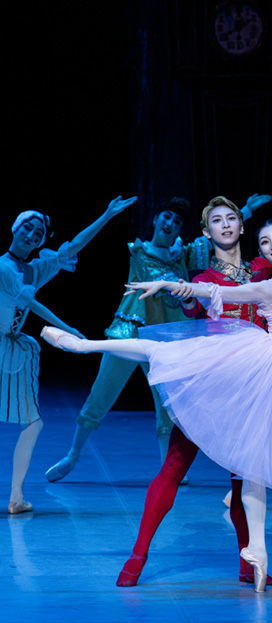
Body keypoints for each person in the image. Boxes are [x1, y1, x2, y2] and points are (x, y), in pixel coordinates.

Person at [40, 144, 272, 592]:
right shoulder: (207, 278)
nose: (225, 225)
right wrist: (176, 290)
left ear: (242, 226)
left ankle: (248, 563)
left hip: (258, 385)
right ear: (206, 233)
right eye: (216, 221)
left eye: (231, 218)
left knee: (246, 479)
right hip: (217, 382)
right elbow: (195, 301)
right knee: (174, 466)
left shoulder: (263, 267)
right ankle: (138, 555)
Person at [44, 194, 272, 483]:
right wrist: (108, 214)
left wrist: (246, 210)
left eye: (177, 222)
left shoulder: (183, 255)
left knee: (169, 405)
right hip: (130, 332)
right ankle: (73, 454)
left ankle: (168, 469)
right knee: (102, 393)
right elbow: (82, 246)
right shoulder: (138, 251)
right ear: (155, 220)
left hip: (166, 341)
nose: (170, 223)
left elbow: (218, 235)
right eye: (166, 217)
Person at [1, 195, 137, 514]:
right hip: (6, 345)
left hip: (10, 347)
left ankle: (16, 498)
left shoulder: (35, 269)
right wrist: (68, 329)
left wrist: (107, 214)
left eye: (38, 234)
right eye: (27, 228)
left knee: (33, 424)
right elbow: (30, 303)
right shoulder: (3, 267)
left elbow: (73, 247)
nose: (31, 235)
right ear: (15, 228)